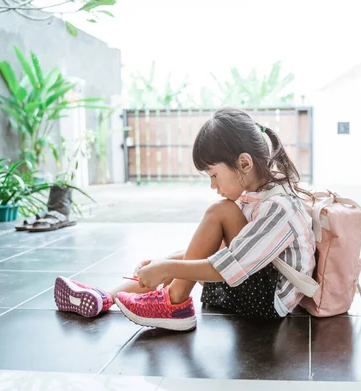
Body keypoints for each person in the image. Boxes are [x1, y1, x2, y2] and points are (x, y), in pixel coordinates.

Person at [53, 108, 316, 331]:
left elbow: (231, 264)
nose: (213, 185)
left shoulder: (279, 208)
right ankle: (103, 297)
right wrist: (167, 261)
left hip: (269, 301)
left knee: (219, 212)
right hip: (255, 287)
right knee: (181, 258)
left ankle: (175, 302)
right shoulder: (259, 196)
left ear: (244, 163)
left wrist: (169, 267)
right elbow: (232, 252)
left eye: (213, 174)